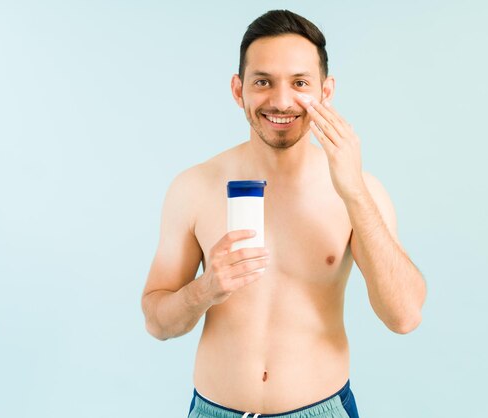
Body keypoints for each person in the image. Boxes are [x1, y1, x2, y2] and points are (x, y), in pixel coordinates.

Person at [141, 9, 427, 418]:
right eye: (263, 82)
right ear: (238, 89)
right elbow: (157, 323)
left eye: (299, 83)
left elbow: (404, 316)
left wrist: (354, 192)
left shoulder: (360, 192)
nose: (280, 100)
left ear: (325, 92)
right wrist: (207, 289)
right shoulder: (194, 188)